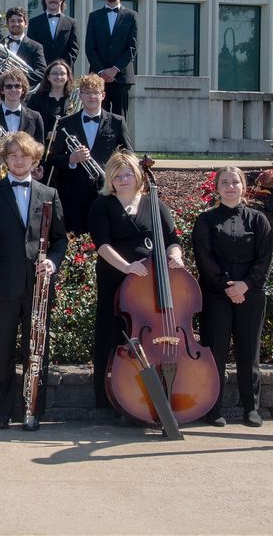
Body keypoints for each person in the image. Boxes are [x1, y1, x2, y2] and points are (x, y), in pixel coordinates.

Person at [0, 132, 67, 429]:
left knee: (36, 350)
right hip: (2, 286)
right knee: (2, 351)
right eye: (13, 155)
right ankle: (1, 412)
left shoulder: (49, 194)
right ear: (5, 159)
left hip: (38, 287)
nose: (18, 160)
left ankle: (32, 410)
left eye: (24, 156)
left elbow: (60, 239)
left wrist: (52, 261)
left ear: (34, 159)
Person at [87, 152, 184, 412]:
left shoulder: (154, 204)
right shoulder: (102, 205)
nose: (123, 179)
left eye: (128, 173)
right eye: (117, 175)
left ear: (138, 175)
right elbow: (102, 246)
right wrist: (128, 267)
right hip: (116, 279)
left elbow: (172, 239)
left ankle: (148, 399)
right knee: (113, 336)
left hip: (150, 285)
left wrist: (175, 256)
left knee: (149, 336)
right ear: (110, 179)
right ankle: (111, 400)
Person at [193, 167, 273, 428]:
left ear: (244, 186)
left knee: (249, 352)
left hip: (250, 294)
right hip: (216, 294)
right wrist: (228, 286)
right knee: (214, 351)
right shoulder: (205, 221)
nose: (230, 186)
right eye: (224, 182)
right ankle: (212, 407)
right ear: (216, 187)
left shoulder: (258, 220)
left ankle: (251, 408)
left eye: (235, 182)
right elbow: (204, 259)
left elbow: (264, 259)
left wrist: (245, 286)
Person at [47, 73, 133, 234]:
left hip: (107, 189)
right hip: (73, 193)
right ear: (80, 95)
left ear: (103, 95)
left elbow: (128, 155)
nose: (92, 96)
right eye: (87, 92)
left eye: (96, 92)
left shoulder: (117, 122)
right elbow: (52, 159)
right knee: (75, 240)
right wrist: (72, 159)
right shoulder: (66, 123)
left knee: (106, 235)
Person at [84, 0, 137, 119]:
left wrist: (114, 70)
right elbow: (90, 48)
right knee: (98, 116)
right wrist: (102, 71)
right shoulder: (94, 17)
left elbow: (132, 48)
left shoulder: (131, 16)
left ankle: (121, 143)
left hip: (121, 77)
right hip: (98, 78)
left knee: (121, 118)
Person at [28, 0, 79, 66]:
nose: (53, 0)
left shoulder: (72, 23)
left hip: (63, 73)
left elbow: (74, 50)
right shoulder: (34, 22)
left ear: (62, 0)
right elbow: (31, 48)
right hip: (41, 72)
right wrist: (41, 67)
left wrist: (61, 67)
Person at [27, 59, 75, 148]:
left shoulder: (73, 99)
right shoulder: (36, 99)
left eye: (62, 74)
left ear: (68, 77)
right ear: (48, 77)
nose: (58, 76)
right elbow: (30, 125)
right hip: (40, 145)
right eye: (54, 73)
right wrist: (46, 134)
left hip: (66, 148)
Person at [0, 68, 45, 145]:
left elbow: (40, 148)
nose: (13, 89)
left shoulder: (35, 117)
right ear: (2, 90)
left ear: (23, 90)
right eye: (9, 86)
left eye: (17, 86)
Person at [0, 7, 48, 87]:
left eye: (20, 21)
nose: (16, 24)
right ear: (7, 24)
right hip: (3, 93)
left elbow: (41, 72)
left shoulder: (36, 47)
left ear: (26, 24)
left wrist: (19, 80)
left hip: (26, 94)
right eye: (12, 21)